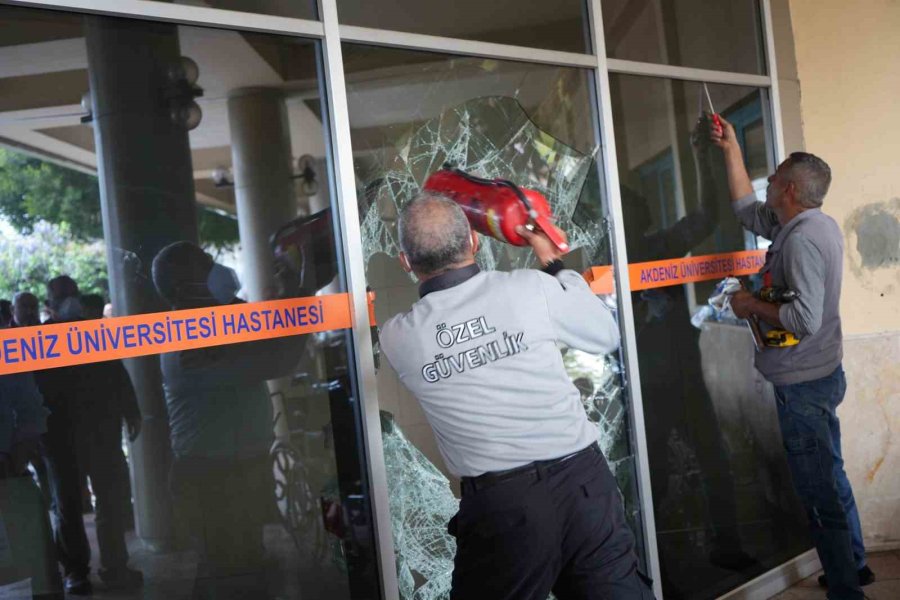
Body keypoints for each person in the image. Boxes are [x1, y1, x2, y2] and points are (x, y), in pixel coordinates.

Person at [379, 193, 654, 600]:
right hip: (584, 488)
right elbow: (604, 333)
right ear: (474, 241)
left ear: (406, 263)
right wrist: (554, 264)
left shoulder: (399, 337)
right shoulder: (531, 288)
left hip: (504, 509)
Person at [710, 118, 871, 599]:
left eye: (775, 176)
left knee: (818, 492)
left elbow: (803, 319)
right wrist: (731, 147)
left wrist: (748, 305)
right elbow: (744, 210)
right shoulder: (806, 224)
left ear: (791, 189)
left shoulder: (801, 238)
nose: (769, 182)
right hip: (818, 376)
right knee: (830, 474)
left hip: (804, 384)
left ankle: (846, 588)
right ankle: (855, 566)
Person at [151, 242, 309, 599]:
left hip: (237, 467)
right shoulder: (188, 340)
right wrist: (304, 292)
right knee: (228, 575)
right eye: (205, 267)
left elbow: (271, 336)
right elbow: (277, 359)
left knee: (243, 566)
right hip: (212, 478)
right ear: (182, 288)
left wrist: (292, 293)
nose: (217, 270)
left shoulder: (221, 320)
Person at [36, 275, 143, 595]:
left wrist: (131, 411)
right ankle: (76, 571)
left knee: (110, 500)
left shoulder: (96, 332)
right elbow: (34, 391)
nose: (69, 300)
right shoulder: (40, 339)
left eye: (72, 294)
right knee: (68, 505)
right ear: (49, 306)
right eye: (61, 296)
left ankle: (114, 566)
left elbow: (117, 373)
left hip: (101, 433)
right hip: (60, 438)